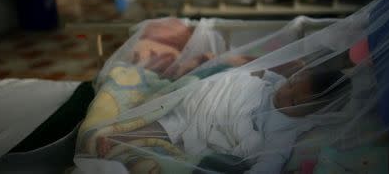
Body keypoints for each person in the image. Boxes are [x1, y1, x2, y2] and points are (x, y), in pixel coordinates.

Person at [96, 60, 349, 173]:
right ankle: (124, 133)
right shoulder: (278, 83)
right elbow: (255, 72)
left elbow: (271, 161)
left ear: (310, 113)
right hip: (213, 97)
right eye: (292, 85)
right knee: (175, 112)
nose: (285, 94)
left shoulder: (284, 130)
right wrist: (280, 68)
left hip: (217, 125)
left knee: (176, 125)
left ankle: (123, 139)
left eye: (294, 101)